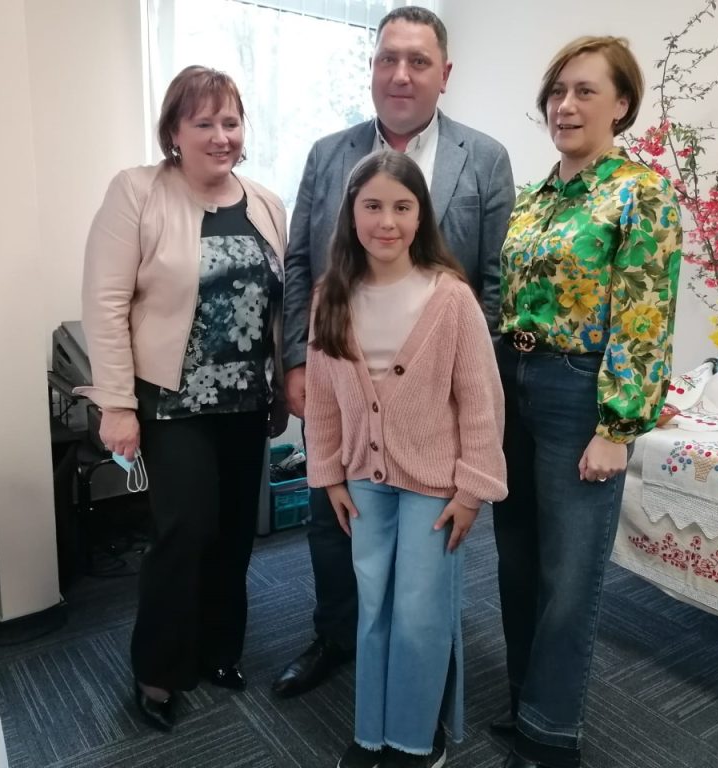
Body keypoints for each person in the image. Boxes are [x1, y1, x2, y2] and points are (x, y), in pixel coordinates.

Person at [274, 4, 515, 701]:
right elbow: (301, 263)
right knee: (335, 518)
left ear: (445, 73)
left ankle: (421, 658)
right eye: (388, 59)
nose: (400, 74)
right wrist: (298, 360)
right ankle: (336, 635)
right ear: (372, 68)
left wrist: (457, 375)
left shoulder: (485, 158)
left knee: (425, 543)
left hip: (431, 399)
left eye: (417, 61)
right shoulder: (328, 154)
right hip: (343, 383)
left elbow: (494, 280)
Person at [77, 65, 288, 733]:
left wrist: (282, 387)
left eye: (231, 122)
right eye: (204, 123)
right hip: (172, 401)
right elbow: (105, 304)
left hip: (246, 399)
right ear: (174, 131)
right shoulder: (138, 192)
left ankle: (220, 648)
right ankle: (159, 670)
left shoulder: (265, 202)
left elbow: (281, 307)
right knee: (183, 532)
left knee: (234, 532)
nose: (221, 136)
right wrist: (116, 404)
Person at [490, 37, 683, 768]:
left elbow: (645, 314)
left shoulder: (640, 192)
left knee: (568, 574)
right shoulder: (534, 198)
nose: (565, 106)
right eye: (557, 91)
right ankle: (523, 702)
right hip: (513, 381)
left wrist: (617, 426)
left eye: (585, 92)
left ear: (622, 105)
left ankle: (551, 734)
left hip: (579, 393)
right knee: (515, 559)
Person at [306, 150, 507, 768]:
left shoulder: (450, 298)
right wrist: (329, 475)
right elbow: (322, 399)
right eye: (372, 206)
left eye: (401, 206)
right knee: (372, 608)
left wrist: (472, 489)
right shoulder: (331, 296)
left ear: (421, 216)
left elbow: (480, 399)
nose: (386, 221)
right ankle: (371, 732)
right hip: (363, 481)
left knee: (420, 613)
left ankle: (416, 739)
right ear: (352, 213)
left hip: (433, 485)